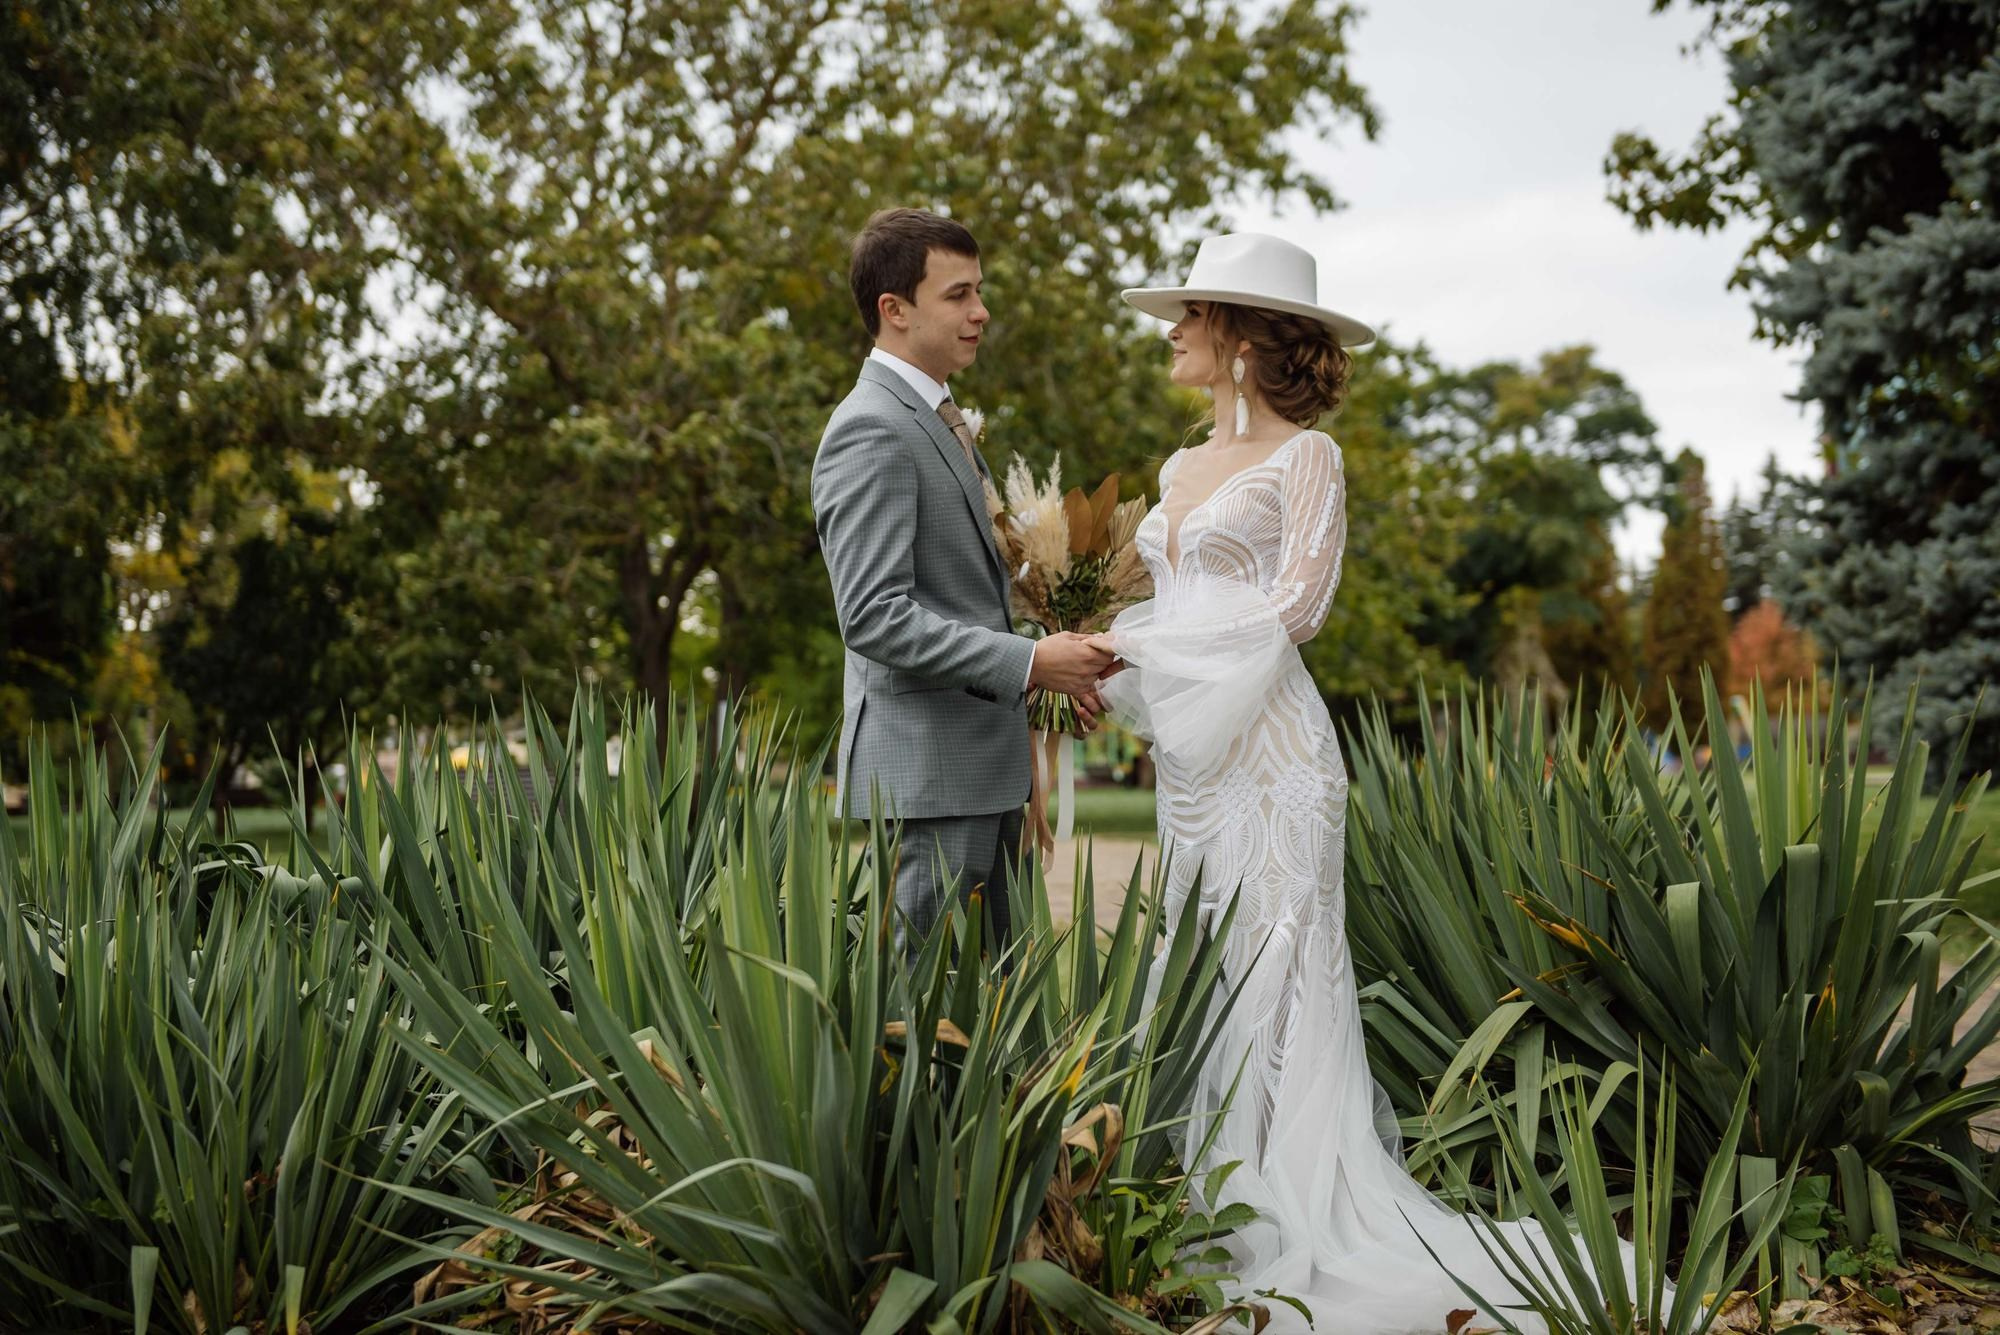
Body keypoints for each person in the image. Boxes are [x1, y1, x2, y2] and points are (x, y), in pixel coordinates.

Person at [1093, 232, 1653, 1331]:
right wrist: (1105, 654)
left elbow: (1298, 609)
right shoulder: (1173, 467)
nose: (1171, 333)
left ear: (1241, 336)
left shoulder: (1309, 458)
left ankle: (1287, 1217)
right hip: (1195, 766)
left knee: (1278, 975)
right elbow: (1177, 602)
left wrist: (1142, 649)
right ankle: (1203, 1202)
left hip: (1279, 760)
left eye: (1189, 314)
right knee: (1201, 963)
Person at [812, 207, 1113, 959]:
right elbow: (873, 615)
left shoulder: (935, 416)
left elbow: (962, 599)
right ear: (895, 309)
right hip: (931, 781)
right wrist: (1030, 662)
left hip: (982, 770)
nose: (981, 312)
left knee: (990, 1011)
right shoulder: (872, 427)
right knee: (920, 1008)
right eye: (959, 294)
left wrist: (1048, 676)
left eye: (979, 291)